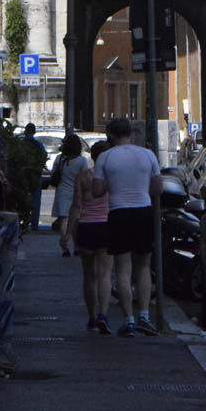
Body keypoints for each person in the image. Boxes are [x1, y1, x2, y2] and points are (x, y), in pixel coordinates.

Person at [92, 117, 161, 337]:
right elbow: (158, 187)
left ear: (111, 135)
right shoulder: (148, 155)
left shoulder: (105, 157)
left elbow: (97, 191)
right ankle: (144, 316)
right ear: (131, 133)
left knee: (122, 269)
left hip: (118, 211)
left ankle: (128, 320)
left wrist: (112, 184)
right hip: (143, 210)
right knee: (143, 266)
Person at [67, 140, 112, 334]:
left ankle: (92, 317)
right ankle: (103, 313)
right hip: (107, 224)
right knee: (105, 274)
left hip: (86, 226)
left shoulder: (83, 176)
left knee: (89, 275)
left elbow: (77, 205)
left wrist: (69, 232)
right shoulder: (112, 177)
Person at [51, 133, 87, 255]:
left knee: (64, 219)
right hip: (77, 191)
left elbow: (53, 173)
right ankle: (76, 246)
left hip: (62, 191)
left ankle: (65, 246)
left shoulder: (60, 159)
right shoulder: (82, 161)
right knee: (76, 219)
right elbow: (84, 176)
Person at [20, 123, 48, 231]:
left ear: (25, 131)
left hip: (23, 175)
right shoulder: (38, 145)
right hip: (35, 175)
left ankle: (25, 222)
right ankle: (34, 224)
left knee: (23, 199)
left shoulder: (21, 144)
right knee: (36, 200)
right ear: (34, 132)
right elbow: (43, 157)